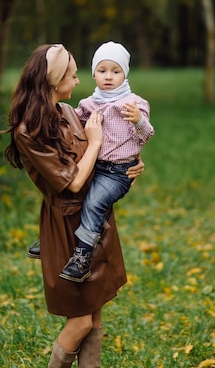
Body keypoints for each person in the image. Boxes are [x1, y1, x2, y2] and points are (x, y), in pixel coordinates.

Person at [4, 44, 144, 368]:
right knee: (80, 320)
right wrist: (96, 142)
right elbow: (72, 181)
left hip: (95, 222)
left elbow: (104, 154)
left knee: (95, 317)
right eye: (73, 75)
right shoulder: (29, 131)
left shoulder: (67, 111)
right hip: (67, 227)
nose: (80, 81)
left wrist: (132, 158)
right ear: (53, 81)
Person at [58, 41, 154, 282]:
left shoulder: (135, 104)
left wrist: (138, 120)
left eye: (115, 71)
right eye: (102, 71)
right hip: (94, 166)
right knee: (71, 198)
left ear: (125, 73)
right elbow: (72, 125)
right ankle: (55, 241)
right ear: (93, 74)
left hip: (118, 173)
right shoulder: (88, 104)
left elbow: (146, 135)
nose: (108, 76)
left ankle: (82, 257)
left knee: (94, 203)